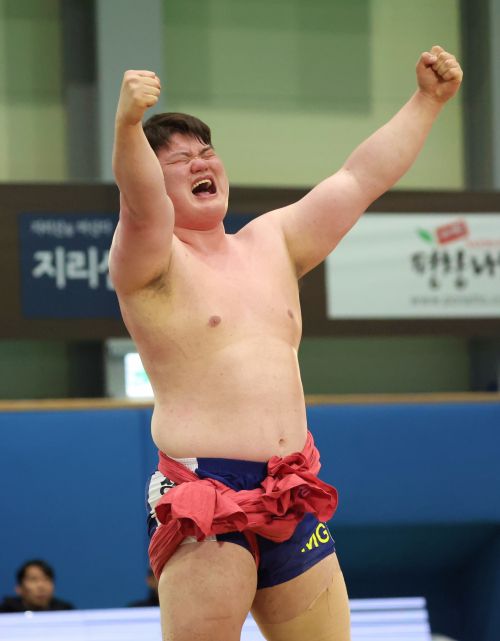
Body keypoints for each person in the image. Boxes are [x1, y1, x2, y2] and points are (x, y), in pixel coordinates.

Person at [110, 45, 462, 641]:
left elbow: (359, 178)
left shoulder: (272, 241)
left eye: (207, 152)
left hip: (290, 488)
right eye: (180, 159)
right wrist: (126, 127)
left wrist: (427, 102)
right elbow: (141, 204)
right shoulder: (149, 261)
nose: (201, 163)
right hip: (204, 494)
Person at [0, 560, 74, 613]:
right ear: (19, 588)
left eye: (46, 579)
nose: (41, 586)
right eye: (33, 579)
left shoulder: (65, 612)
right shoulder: (6, 613)